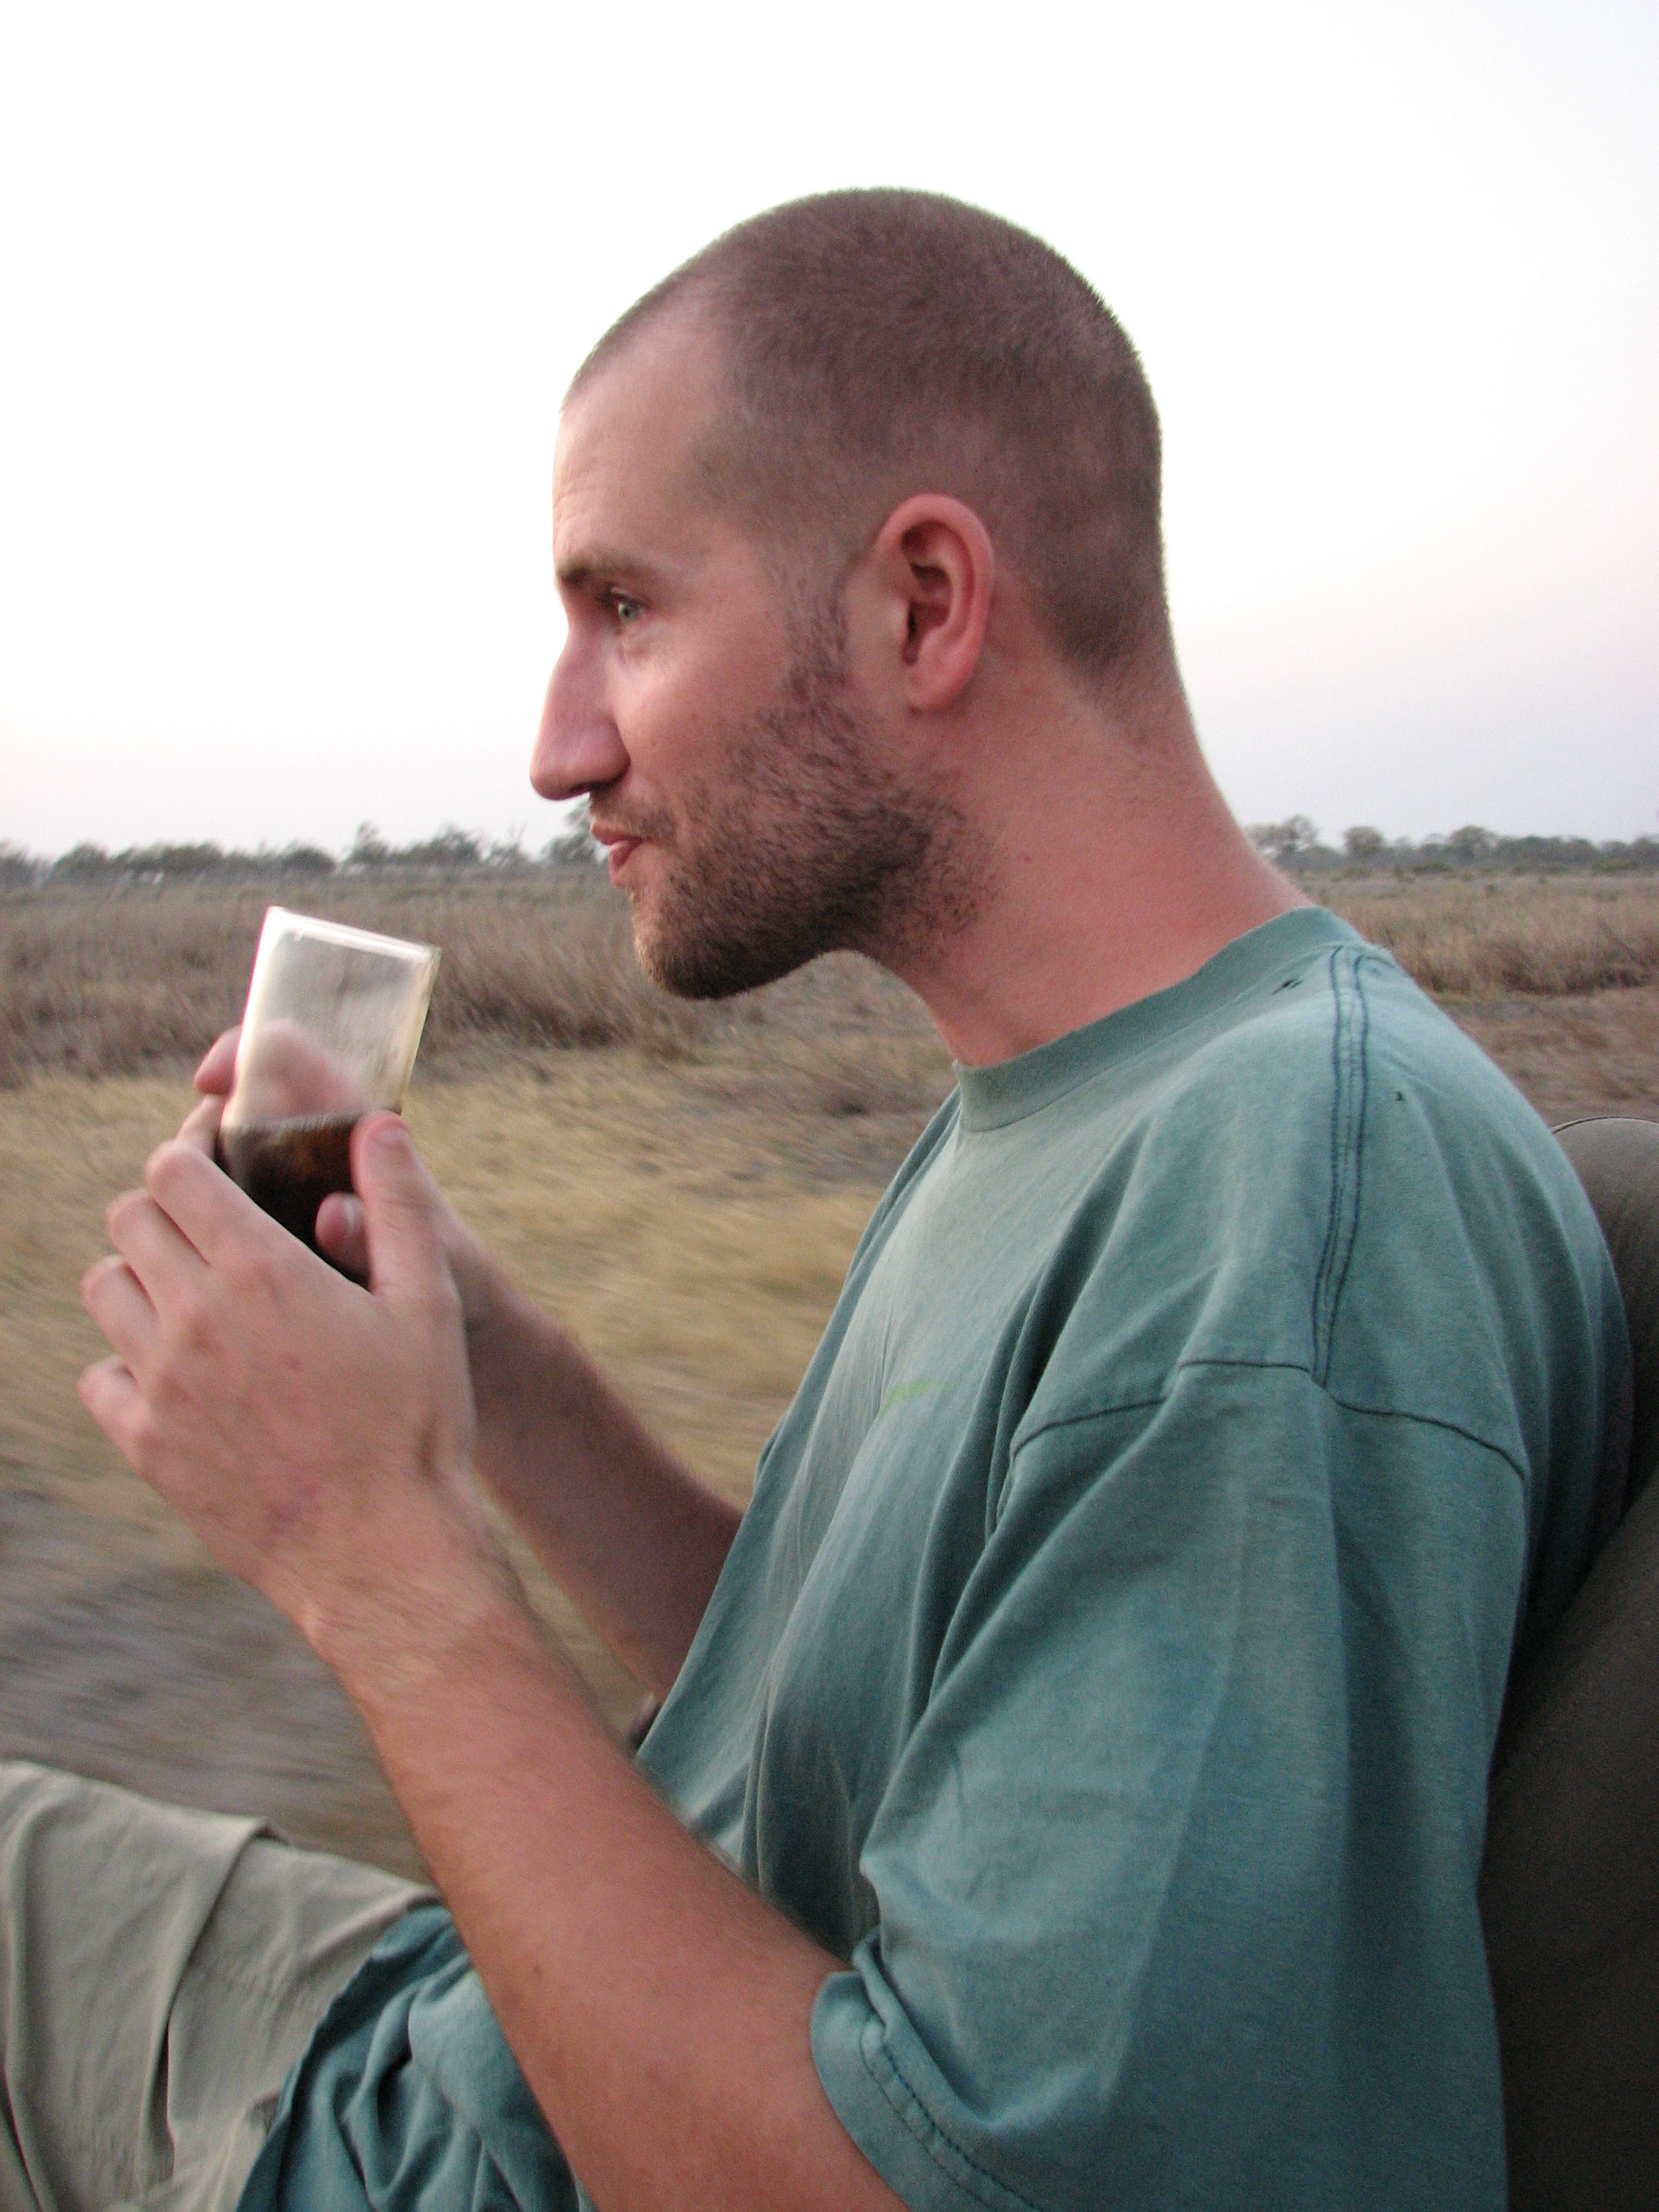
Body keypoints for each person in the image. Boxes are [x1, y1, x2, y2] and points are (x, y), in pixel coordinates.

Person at [4, 189, 1627, 2212]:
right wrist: (489, 1368)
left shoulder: (1279, 1210)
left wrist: (372, 1562)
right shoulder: (1094, 1101)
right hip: (459, 2033)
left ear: (923, 605)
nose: (554, 748)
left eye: (624, 610)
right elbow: (850, 1751)